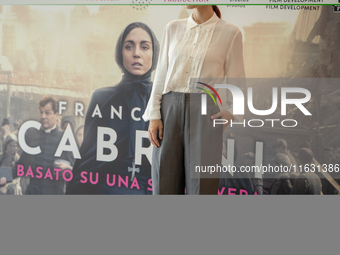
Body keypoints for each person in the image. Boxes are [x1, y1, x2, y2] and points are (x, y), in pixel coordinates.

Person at [143, 5, 245, 194]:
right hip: (169, 110)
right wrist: (154, 115)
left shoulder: (231, 33)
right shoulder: (172, 28)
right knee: (163, 182)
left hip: (206, 112)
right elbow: (161, 75)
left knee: (202, 187)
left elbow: (237, 81)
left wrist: (230, 112)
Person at [66, 22, 159, 194]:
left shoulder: (166, 101)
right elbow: (87, 157)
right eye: (129, 46)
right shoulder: (101, 97)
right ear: (120, 53)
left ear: (154, 54)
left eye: (145, 47)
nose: (136, 53)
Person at [13, 96, 75, 194]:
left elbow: (77, 170)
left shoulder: (65, 137)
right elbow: (21, 165)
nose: (43, 116)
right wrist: (4, 176)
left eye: (47, 112)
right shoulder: (33, 135)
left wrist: (70, 169)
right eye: (41, 112)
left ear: (56, 115)